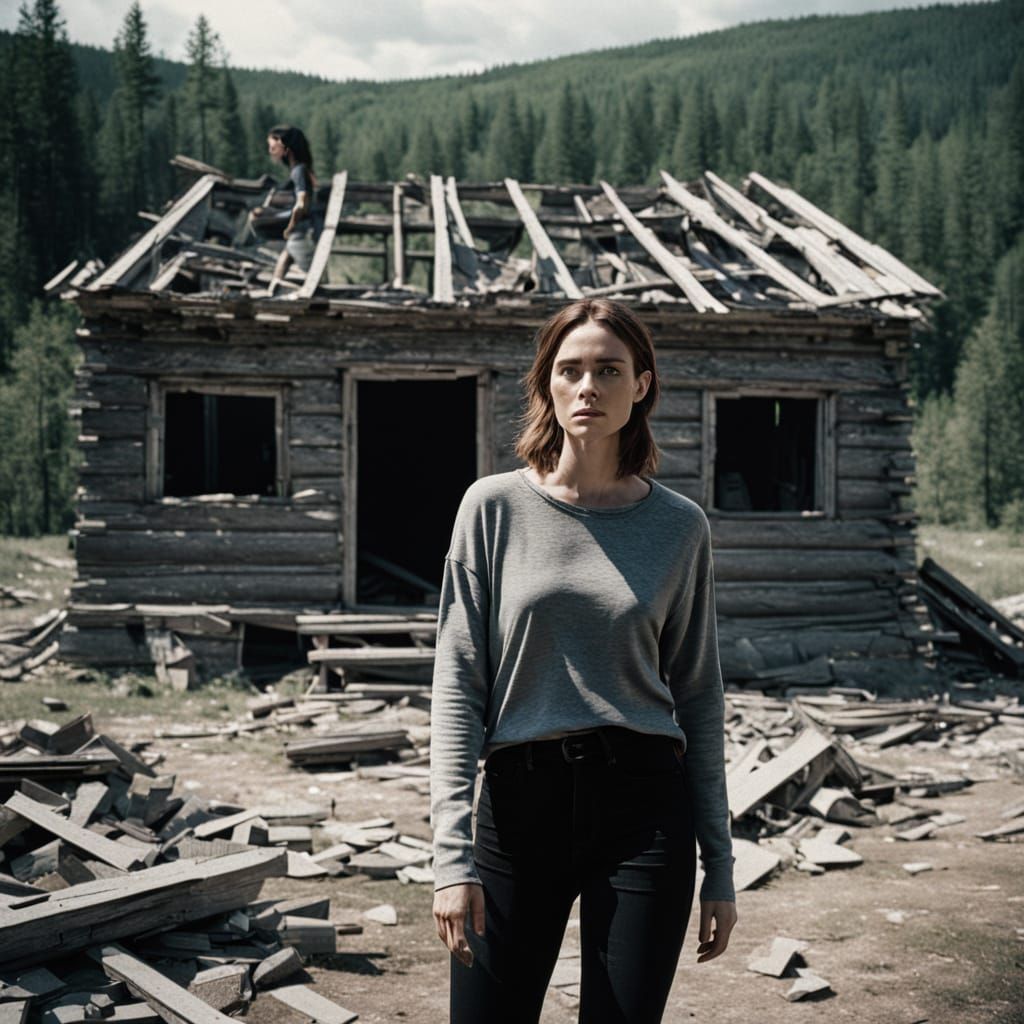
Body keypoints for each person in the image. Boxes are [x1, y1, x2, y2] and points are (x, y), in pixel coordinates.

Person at [430, 297, 737, 1024]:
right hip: (517, 805)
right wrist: (450, 859)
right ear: (546, 386)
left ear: (643, 385)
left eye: (609, 369)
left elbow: (698, 696)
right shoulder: (492, 509)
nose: (588, 386)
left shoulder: (679, 527)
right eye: (569, 370)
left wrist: (720, 868)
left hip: (643, 811)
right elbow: (457, 686)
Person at [248, 124, 322, 292]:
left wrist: (288, 224)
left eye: (273, 147)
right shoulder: (301, 169)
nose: (270, 151)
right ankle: (274, 289)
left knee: (313, 278)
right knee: (286, 260)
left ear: (285, 147)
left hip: (301, 231)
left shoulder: (298, 171)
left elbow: (302, 202)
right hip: (302, 230)